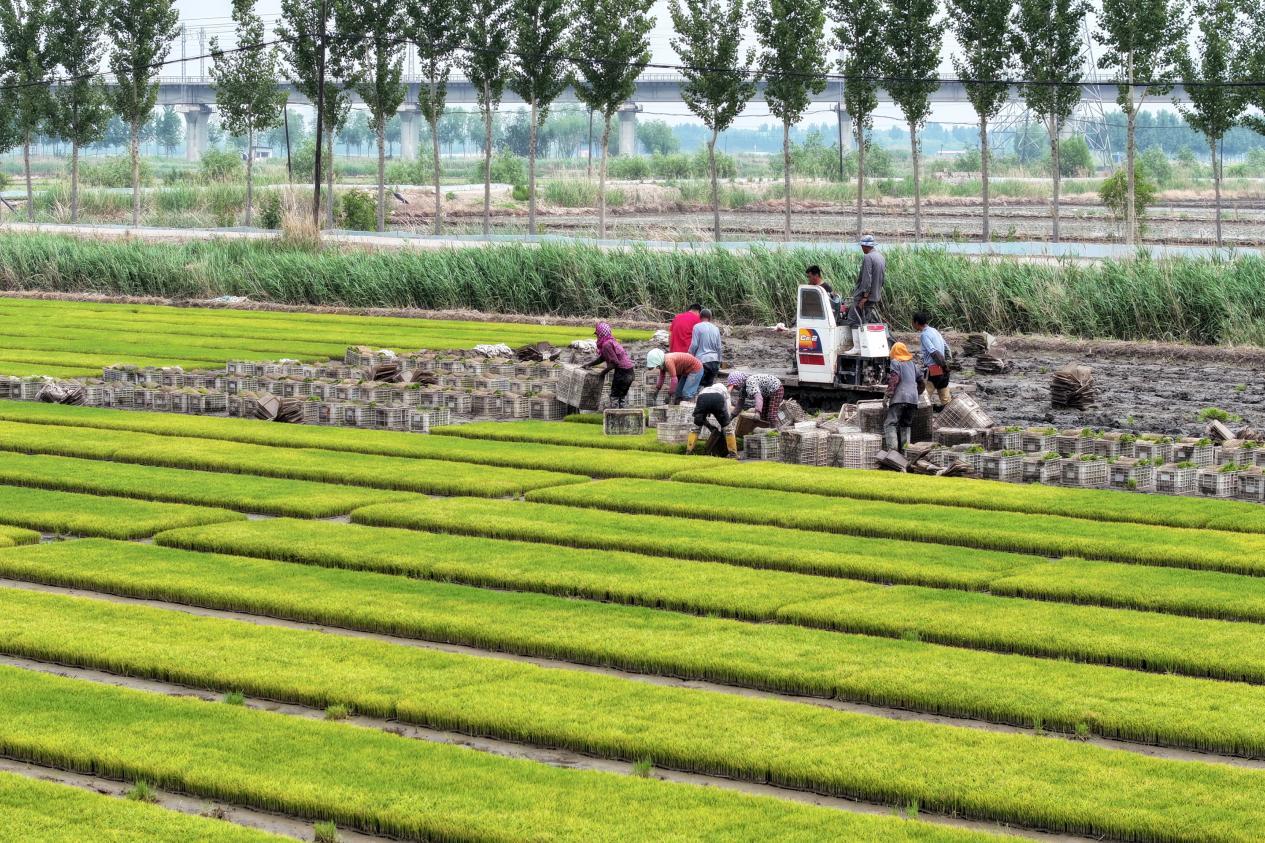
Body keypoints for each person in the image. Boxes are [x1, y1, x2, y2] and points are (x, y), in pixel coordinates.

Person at [845, 235, 886, 348]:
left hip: (865, 296)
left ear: (865, 246)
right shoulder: (881, 257)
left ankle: (857, 348)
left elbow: (867, 278)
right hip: (875, 295)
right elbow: (882, 279)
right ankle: (865, 346)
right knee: (865, 321)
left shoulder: (868, 257)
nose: (862, 248)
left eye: (862, 246)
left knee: (853, 319)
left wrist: (864, 297)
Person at [884, 342, 925, 454]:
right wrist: (917, 393)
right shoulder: (913, 364)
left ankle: (892, 453)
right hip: (913, 400)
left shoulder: (895, 362)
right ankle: (906, 453)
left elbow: (894, 378)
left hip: (900, 397)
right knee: (905, 425)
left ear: (894, 352)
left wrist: (888, 394)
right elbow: (921, 381)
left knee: (890, 423)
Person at [583, 322, 636, 408]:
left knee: (615, 397)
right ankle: (622, 414)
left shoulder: (606, 345)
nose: (597, 336)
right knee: (622, 397)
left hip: (622, 373)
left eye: (597, 334)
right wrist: (589, 364)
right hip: (629, 372)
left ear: (601, 334)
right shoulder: (611, 341)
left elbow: (614, 363)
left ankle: (615, 414)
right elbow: (603, 357)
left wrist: (602, 373)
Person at [688, 381, 737, 458]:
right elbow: (727, 409)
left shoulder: (705, 390)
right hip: (717, 399)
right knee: (729, 430)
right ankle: (733, 455)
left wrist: (708, 425)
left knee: (695, 428)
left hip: (702, 398)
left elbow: (699, 414)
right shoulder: (724, 391)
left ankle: (689, 452)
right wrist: (726, 424)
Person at [913, 311, 951, 407]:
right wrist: (946, 365)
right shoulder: (934, 331)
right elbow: (946, 348)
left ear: (916, 322)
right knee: (945, 397)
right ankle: (951, 412)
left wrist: (943, 365)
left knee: (924, 395)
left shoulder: (924, 335)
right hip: (942, 369)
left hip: (934, 368)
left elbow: (933, 352)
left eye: (913, 322)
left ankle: (921, 413)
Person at [688, 308, 723, 387]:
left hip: (702, 361)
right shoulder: (716, 328)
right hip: (714, 361)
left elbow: (694, 344)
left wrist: (690, 356)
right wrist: (720, 360)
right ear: (710, 318)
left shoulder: (697, 327)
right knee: (709, 387)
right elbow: (719, 347)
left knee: (697, 386)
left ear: (700, 317)